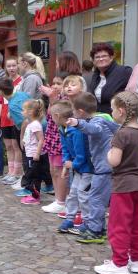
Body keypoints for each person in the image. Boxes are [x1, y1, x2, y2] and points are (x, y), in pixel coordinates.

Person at [94, 91, 138, 274]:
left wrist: (109, 153)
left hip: (123, 186)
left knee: (119, 225)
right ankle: (136, 261)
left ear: (121, 111)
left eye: (112, 109)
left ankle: (119, 263)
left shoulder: (122, 133)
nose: (111, 112)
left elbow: (114, 161)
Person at [67, 92, 118, 244]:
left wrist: (78, 123)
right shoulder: (102, 119)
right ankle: (98, 227)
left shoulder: (98, 121)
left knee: (95, 199)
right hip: (102, 167)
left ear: (81, 112)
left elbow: (94, 129)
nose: (73, 114)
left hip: (103, 168)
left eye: (74, 111)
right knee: (96, 198)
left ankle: (96, 231)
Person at [52, 101, 94, 237]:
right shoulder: (62, 129)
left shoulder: (76, 131)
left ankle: (87, 222)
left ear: (57, 116)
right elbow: (65, 149)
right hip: (77, 169)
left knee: (83, 195)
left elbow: (82, 154)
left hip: (87, 169)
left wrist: (73, 165)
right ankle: (70, 219)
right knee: (73, 194)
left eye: (52, 116)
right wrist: (66, 164)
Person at [41, 76, 68, 214]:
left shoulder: (65, 100)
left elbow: (57, 115)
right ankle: (58, 199)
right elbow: (49, 116)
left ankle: (62, 201)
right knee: (53, 169)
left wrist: (52, 98)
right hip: (51, 136)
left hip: (59, 138)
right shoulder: (55, 98)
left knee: (59, 170)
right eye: (54, 83)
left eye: (59, 83)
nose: (55, 86)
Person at [0, 59, 23, 184]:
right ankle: (10, 172)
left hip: (15, 117)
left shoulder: (21, 81)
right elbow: (1, 103)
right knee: (8, 146)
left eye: (14, 65)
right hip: (4, 117)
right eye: (9, 66)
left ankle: (17, 173)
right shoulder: (4, 82)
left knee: (16, 146)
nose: (11, 68)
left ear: (18, 66)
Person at [20, 99, 50, 205]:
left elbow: (41, 139)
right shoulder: (31, 124)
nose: (22, 112)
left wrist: (37, 153)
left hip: (33, 155)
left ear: (30, 112)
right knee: (31, 175)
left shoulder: (35, 125)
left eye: (24, 110)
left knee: (34, 176)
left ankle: (35, 197)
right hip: (30, 153)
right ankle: (33, 194)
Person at [88, 42, 131, 115]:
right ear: (93, 60)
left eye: (104, 56)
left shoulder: (124, 72)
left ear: (111, 57)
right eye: (97, 57)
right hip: (99, 117)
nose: (101, 59)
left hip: (118, 117)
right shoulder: (96, 75)